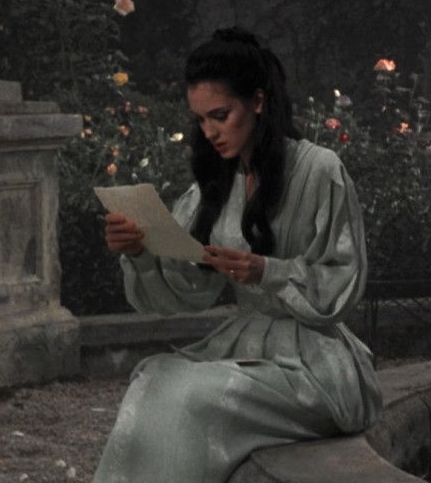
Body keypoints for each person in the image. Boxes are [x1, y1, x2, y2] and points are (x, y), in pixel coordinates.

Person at [92, 27, 382, 482]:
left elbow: (342, 281)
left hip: (313, 362)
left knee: (189, 396)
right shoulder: (216, 188)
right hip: (246, 346)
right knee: (154, 380)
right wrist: (141, 253)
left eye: (220, 116)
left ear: (258, 101)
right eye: (201, 120)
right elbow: (183, 294)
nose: (209, 132)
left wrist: (267, 270)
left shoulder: (319, 170)